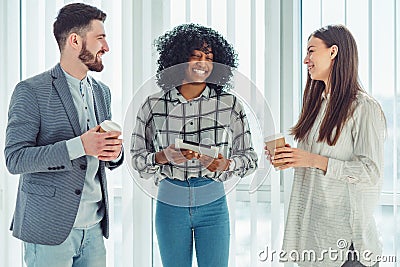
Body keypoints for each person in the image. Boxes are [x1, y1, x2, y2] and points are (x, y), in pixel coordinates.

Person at [4, 3, 123, 267]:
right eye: (100, 38)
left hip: (93, 229)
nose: (106, 47)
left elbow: (99, 155)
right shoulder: (30, 91)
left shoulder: (102, 92)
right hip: (49, 230)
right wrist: (78, 145)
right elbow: (15, 159)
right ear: (74, 40)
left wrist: (114, 154)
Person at [130, 23, 258, 267]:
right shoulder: (153, 105)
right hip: (170, 199)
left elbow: (250, 158)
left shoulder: (230, 104)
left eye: (209, 58)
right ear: (178, 59)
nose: (203, 63)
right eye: (195, 56)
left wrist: (226, 163)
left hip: (213, 200)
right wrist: (162, 157)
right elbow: (137, 159)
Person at [265, 24, 385, 267]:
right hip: (314, 238)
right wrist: (289, 158)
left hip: (347, 245)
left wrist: (311, 160)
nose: (305, 60)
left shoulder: (364, 108)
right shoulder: (316, 105)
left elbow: (370, 172)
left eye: (311, 51)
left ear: (333, 52)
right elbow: (314, 163)